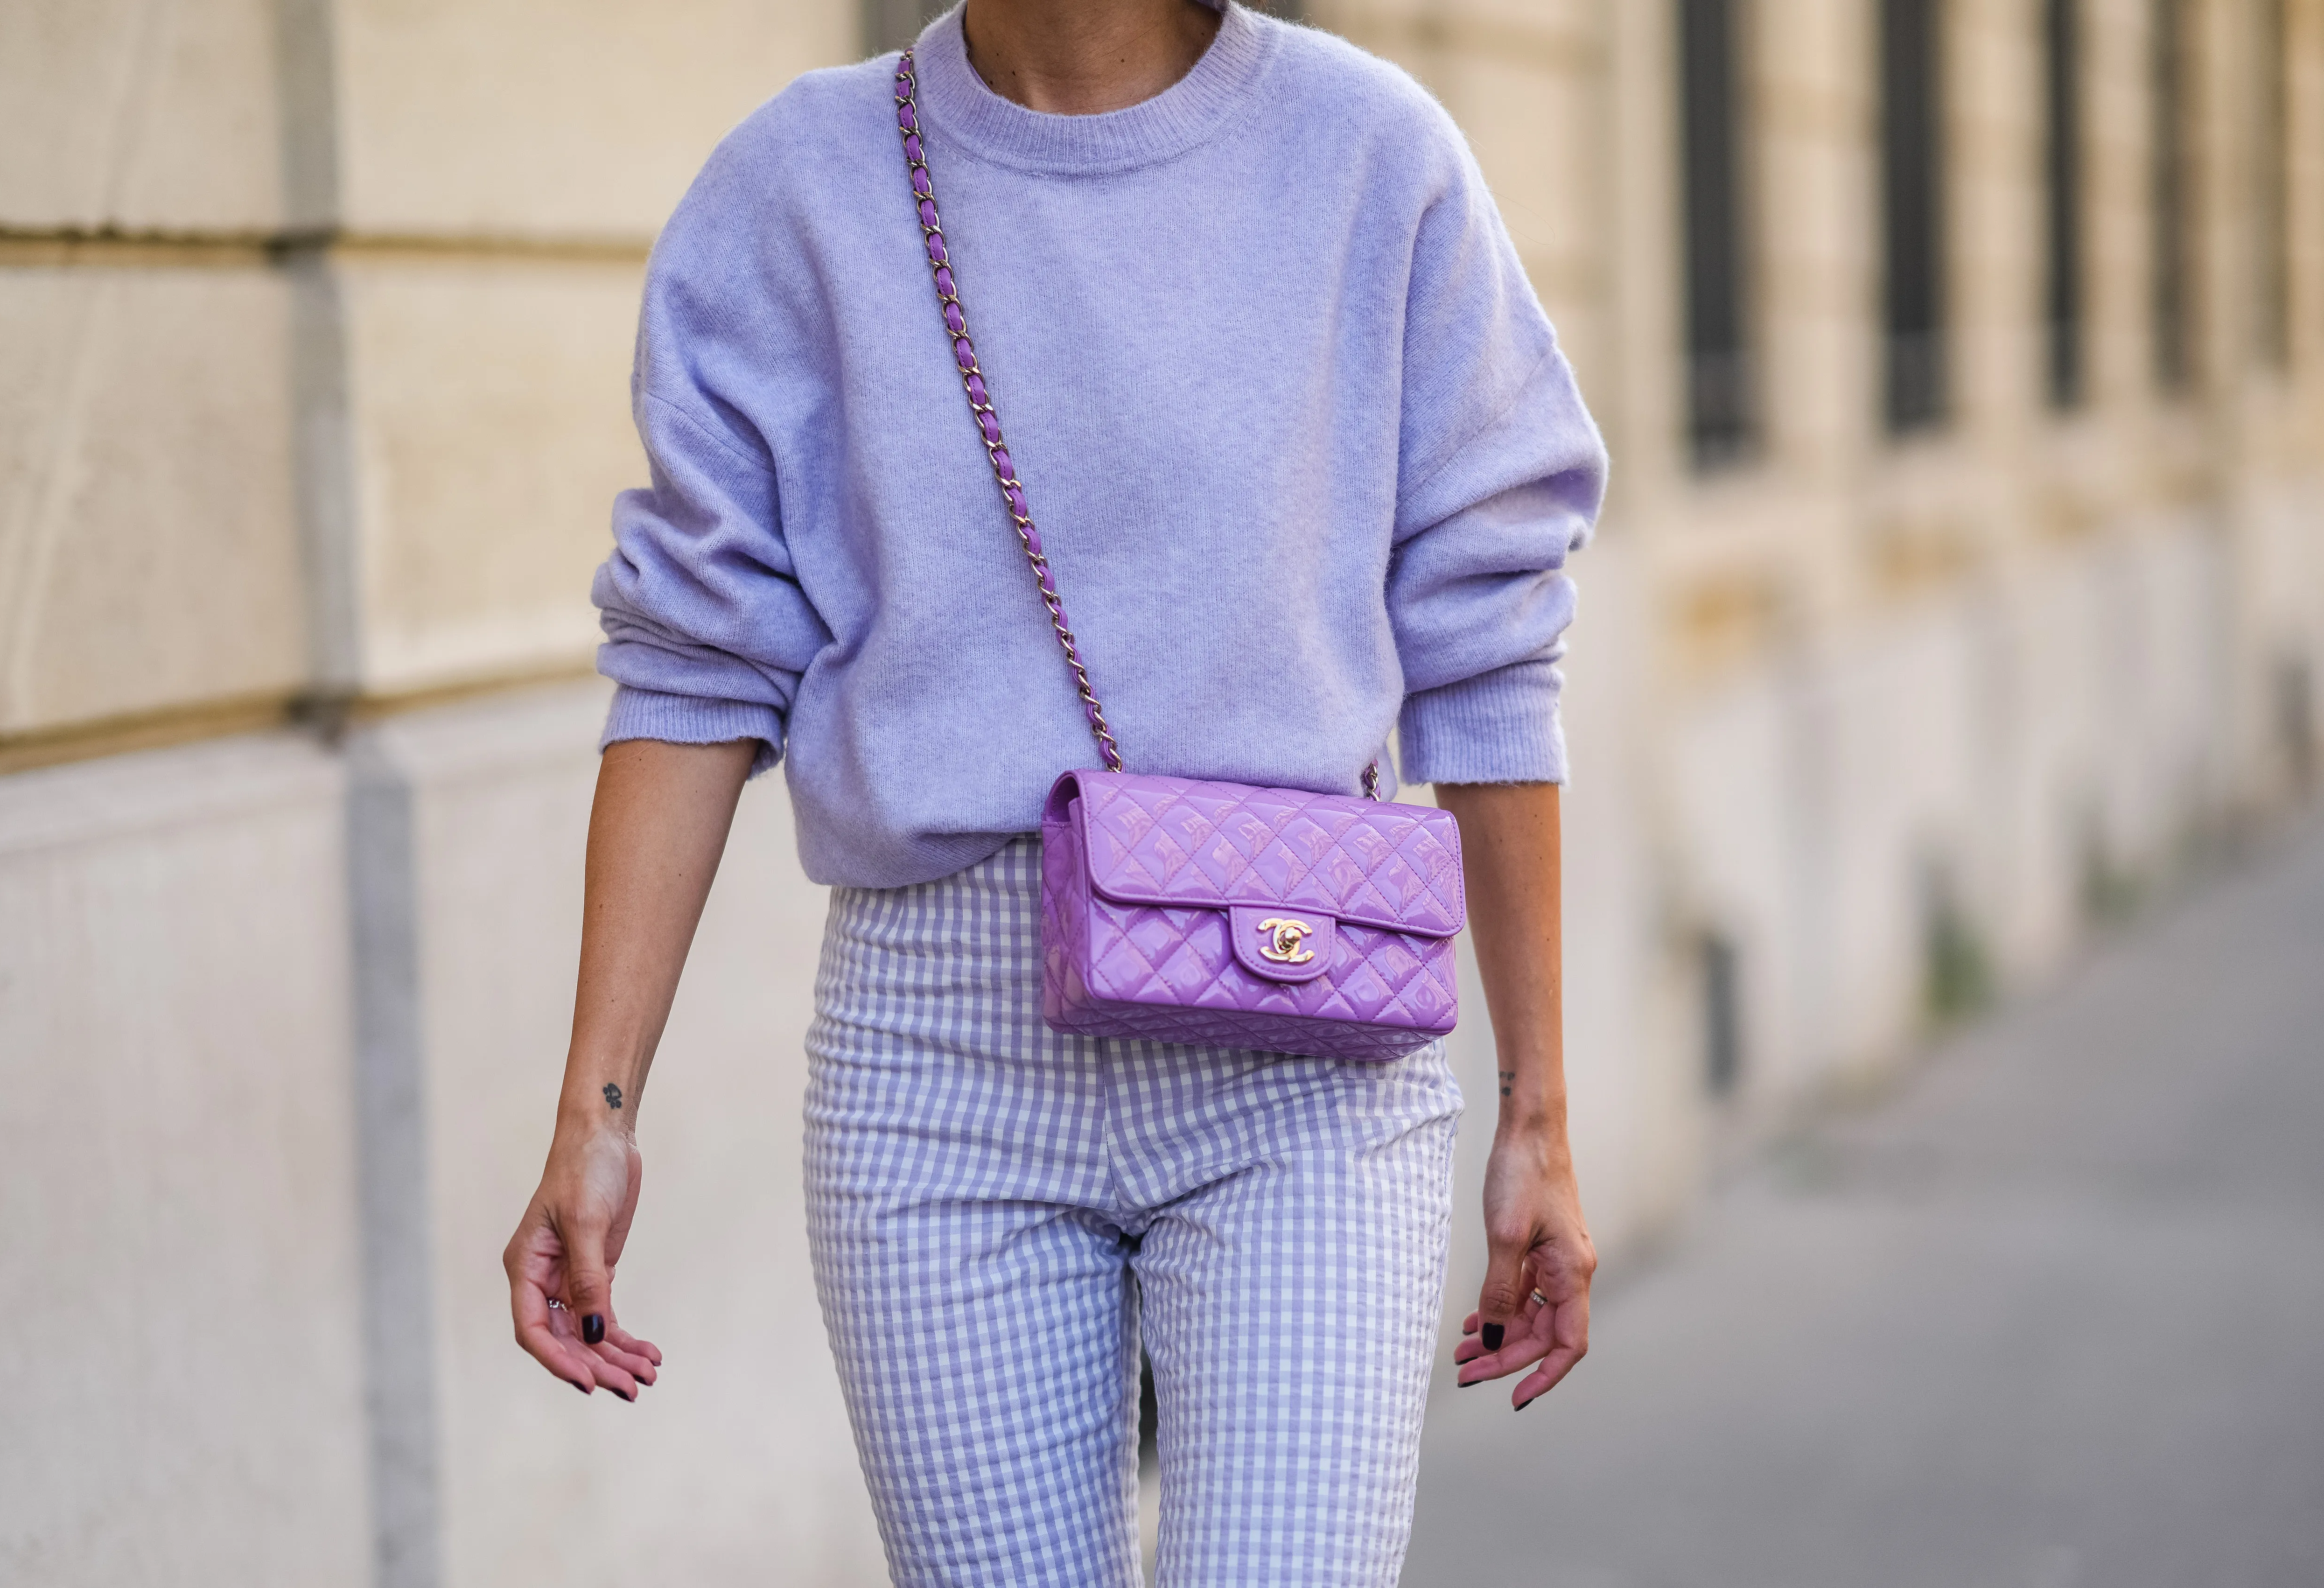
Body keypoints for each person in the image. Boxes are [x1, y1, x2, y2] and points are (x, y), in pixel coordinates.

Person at [502, 0, 1606, 1581]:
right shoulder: (797, 188)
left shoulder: (1373, 160)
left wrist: (1540, 1114)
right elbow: (691, 663)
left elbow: (1489, 651)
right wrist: (595, 1114)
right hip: (937, 1069)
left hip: (1300, 1054)